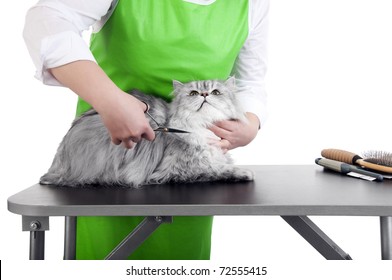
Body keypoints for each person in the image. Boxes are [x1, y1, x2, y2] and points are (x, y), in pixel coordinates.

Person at [23, 0, 269, 260]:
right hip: (110, 157)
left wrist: (250, 122)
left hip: (193, 171)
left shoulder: (253, 3)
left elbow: (249, 81)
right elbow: (47, 19)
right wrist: (110, 101)